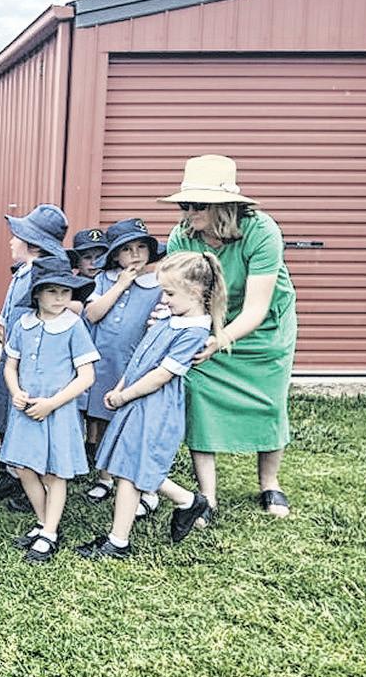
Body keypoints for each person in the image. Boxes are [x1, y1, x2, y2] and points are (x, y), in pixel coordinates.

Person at [160, 155, 298, 519]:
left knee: (269, 401)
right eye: (185, 205)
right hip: (211, 323)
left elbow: (256, 308)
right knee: (200, 395)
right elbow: (183, 296)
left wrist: (220, 340)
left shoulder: (262, 231)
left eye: (197, 205)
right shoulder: (182, 238)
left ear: (223, 206)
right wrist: (198, 335)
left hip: (264, 328)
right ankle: (207, 496)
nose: (188, 212)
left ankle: (270, 483)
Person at [77, 251, 229, 559]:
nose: (164, 299)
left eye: (170, 293)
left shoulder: (195, 331)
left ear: (195, 292)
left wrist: (125, 396)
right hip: (135, 397)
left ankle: (127, 536)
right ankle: (178, 506)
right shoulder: (169, 319)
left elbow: (161, 376)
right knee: (127, 466)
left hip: (154, 406)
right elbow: (140, 358)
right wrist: (120, 386)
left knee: (134, 468)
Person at [0, 256, 98, 564]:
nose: (59, 298)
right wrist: (16, 391)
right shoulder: (23, 325)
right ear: (37, 294)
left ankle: (50, 532)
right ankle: (43, 522)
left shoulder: (73, 327)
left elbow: (87, 376)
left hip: (57, 412)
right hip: (26, 410)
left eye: (65, 292)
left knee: (55, 473)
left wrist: (52, 404)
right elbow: (10, 366)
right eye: (52, 291)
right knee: (25, 468)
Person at [0, 204, 69, 503]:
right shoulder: (23, 272)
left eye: (16, 236)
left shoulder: (42, 278)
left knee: (24, 415)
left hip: (30, 359)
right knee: (7, 407)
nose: (10, 241)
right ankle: (11, 464)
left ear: (33, 244)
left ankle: (24, 475)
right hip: (14, 352)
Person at [81, 219, 165, 511]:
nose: (136, 254)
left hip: (132, 365)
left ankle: (133, 481)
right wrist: (120, 285)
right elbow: (92, 314)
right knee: (103, 419)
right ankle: (104, 477)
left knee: (129, 423)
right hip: (103, 363)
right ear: (115, 255)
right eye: (127, 249)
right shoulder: (105, 280)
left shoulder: (156, 286)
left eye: (142, 247)